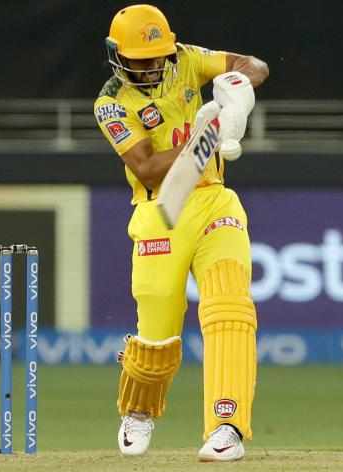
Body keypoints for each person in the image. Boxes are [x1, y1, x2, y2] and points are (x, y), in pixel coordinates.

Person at [94, 4, 269, 462]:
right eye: (140, 61)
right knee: (157, 326)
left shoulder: (187, 59)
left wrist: (237, 94)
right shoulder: (111, 103)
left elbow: (255, 65)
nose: (151, 68)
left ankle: (227, 425)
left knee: (230, 307)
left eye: (157, 58)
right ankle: (138, 410)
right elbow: (147, 167)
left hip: (213, 199)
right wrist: (207, 131)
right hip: (161, 210)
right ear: (118, 57)